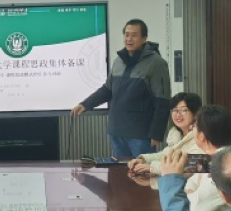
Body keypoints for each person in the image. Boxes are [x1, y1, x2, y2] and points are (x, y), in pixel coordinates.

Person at [70, 18, 172, 160]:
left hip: (140, 134)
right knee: (120, 171)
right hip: (116, 131)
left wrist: (157, 133)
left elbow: (162, 100)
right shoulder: (119, 60)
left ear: (144, 38)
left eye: (134, 35)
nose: (129, 39)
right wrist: (86, 104)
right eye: (126, 34)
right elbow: (107, 90)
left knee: (142, 171)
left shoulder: (156, 63)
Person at [127, 92, 203, 174]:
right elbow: (165, 155)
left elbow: (195, 165)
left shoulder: (201, 137)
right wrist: (144, 159)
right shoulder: (176, 134)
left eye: (184, 110)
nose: (178, 114)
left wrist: (152, 167)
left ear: (196, 114)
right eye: (175, 110)